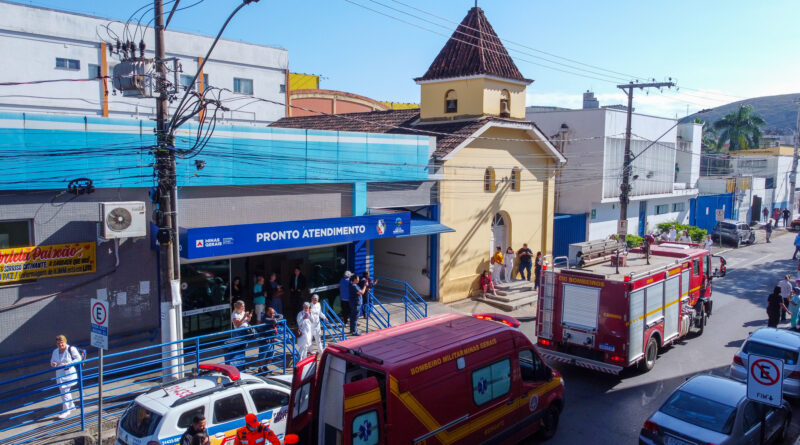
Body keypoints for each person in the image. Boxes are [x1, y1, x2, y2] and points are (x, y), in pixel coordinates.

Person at [50, 335, 81, 419]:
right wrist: (53, 364)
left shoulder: (71, 349)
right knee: (65, 391)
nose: (60, 345)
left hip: (69, 374)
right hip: (60, 375)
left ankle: (66, 410)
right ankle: (71, 405)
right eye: (58, 343)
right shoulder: (55, 351)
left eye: (61, 343)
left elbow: (79, 358)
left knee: (64, 392)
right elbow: (52, 361)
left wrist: (69, 363)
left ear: (65, 342)